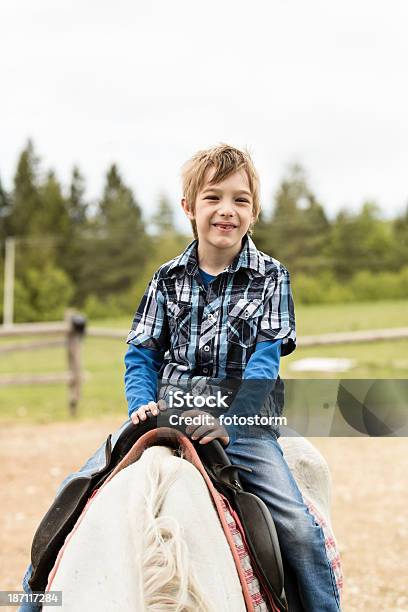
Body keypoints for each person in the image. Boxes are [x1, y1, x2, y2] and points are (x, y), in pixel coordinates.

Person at [20, 144, 340, 611]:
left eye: (240, 200)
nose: (226, 210)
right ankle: (29, 601)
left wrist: (233, 420)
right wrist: (141, 403)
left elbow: (264, 362)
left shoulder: (272, 277)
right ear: (189, 207)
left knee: (297, 526)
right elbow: (141, 355)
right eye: (213, 198)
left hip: (243, 428)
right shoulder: (165, 279)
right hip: (167, 414)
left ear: (255, 211)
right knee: (69, 499)